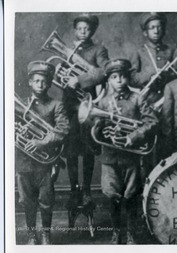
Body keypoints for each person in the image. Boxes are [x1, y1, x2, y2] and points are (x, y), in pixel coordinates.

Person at [97, 59, 158, 244]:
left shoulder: (138, 98)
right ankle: (116, 232)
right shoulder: (103, 102)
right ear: (109, 80)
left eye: (123, 76)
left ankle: (131, 233)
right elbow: (97, 129)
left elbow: (152, 122)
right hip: (110, 156)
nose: (119, 80)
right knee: (112, 196)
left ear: (128, 77)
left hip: (131, 156)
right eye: (114, 77)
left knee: (131, 195)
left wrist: (132, 136)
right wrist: (105, 130)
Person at [15, 61, 70, 244]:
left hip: (45, 162)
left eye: (44, 81)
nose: (40, 85)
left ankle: (46, 234)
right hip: (23, 161)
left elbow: (63, 129)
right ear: (30, 82)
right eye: (36, 81)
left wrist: (41, 142)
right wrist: (18, 130)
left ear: (49, 83)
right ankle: (32, 235)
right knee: (26, 201)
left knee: (46, 200)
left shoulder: (56, 105)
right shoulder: (21, 105)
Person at [60, 14, 109, 206]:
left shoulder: (99, 50)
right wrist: (61, 72)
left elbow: (105, 72)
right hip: (69, 104)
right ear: (75, 30)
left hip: (87, 106)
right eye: (79, 28)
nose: (82, 32)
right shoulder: (69, 49)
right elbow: (63, 70)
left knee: (87, 149)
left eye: (86, 29)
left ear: (92, 30)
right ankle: (74, 189)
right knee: (71, 150)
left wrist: (79, 80)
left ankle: (87, 189)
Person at [131, 12, 177, 107]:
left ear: (163, 30)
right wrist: (149, 75)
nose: (156, 31)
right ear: (145, 32)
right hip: (148, 99)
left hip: (168, 97)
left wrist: (167, 75)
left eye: (159, 27)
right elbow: (131, 78)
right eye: (152, 28)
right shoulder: (139, 52)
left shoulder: (171, 50)